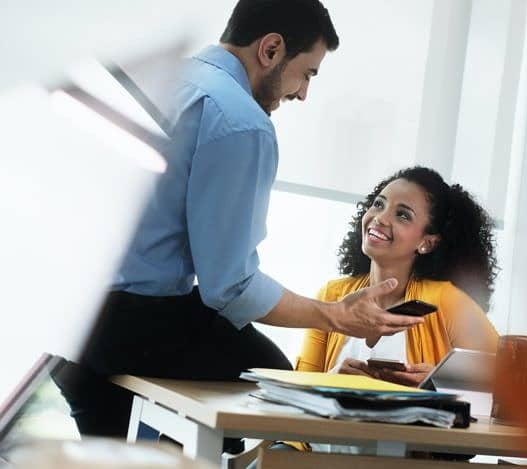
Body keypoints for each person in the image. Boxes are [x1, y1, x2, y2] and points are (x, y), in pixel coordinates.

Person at [58, 0, 422, 439]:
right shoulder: (239, 120)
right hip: (125, 323)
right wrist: (334, 316)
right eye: (307, 74)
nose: (303, 94)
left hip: (62, 310)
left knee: (120, 446)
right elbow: (229, 286)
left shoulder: (162, 76)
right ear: (270, 49)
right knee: (274, 378)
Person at [280, 166, 500, 455]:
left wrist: (434, 388)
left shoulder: (448, 302)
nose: (380, 218)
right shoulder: (332, 295)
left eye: (402, 214)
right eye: (378, 204)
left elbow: (508, 392)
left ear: (427, 242)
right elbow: (293, 408)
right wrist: (332, 382)